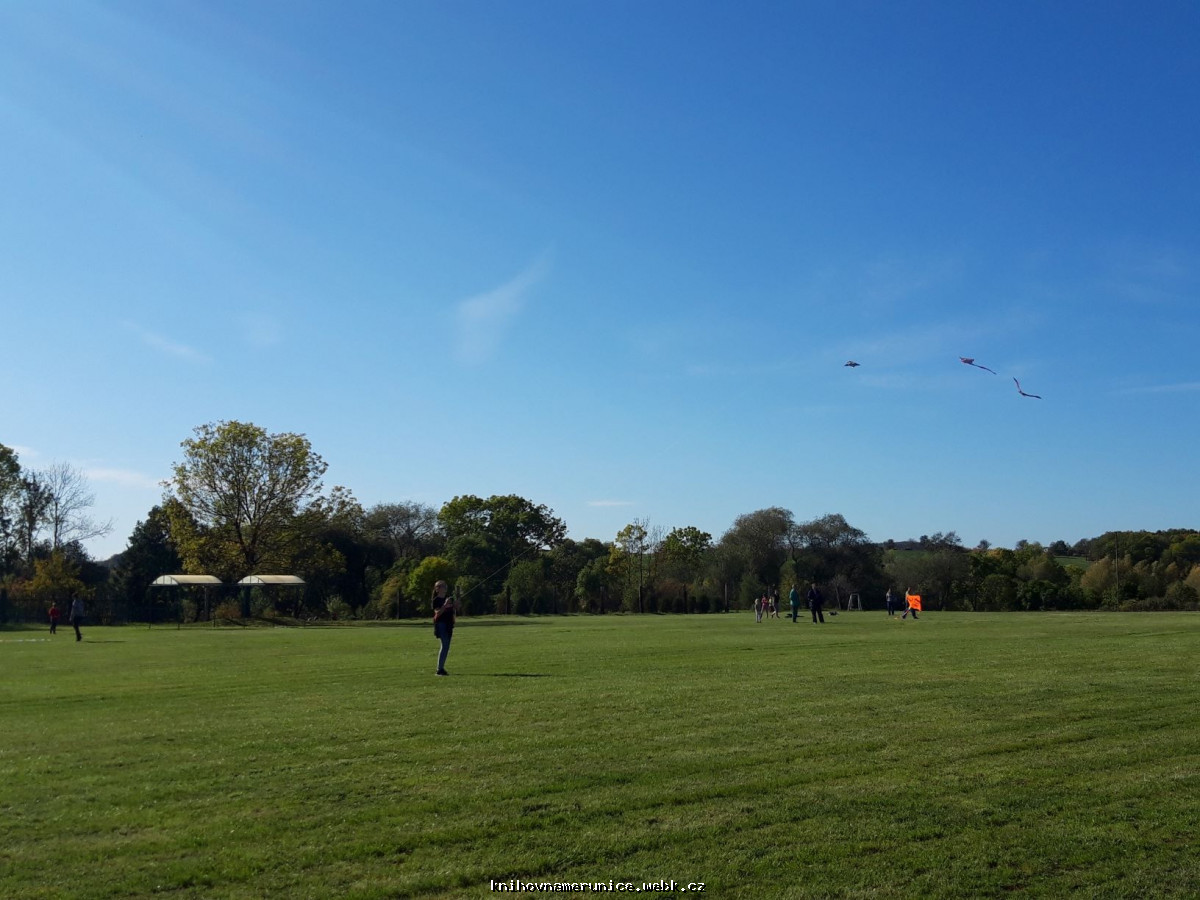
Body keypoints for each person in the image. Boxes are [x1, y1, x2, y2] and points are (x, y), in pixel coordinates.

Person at [432, 580, 457, 675]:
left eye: (445, 586)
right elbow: (438, 613)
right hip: (441, 624)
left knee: (446, 647)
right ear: (437, 589)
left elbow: (455, 608)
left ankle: (441, 668)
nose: (445, 587)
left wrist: (456, 604)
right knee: (444, 645)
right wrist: (445, 605)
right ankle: (439, 669)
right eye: (442, 586)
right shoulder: (436, 600)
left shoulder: (449, 598)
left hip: (449, 624)